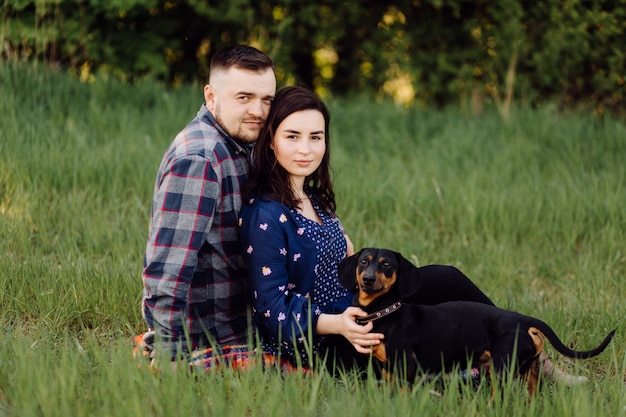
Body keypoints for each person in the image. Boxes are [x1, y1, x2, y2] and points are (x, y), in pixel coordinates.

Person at [238, 86, 588, 385]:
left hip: (356, 313)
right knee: (421, 321)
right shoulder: (265, 214)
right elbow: (270, 309)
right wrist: (339, 324)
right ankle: (482, 367)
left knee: (439, 279)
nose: (306, 149)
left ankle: (519, 352)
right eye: (292, 136)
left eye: (316, 137)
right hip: (322, 341)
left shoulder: (312, 198)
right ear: (271, 141)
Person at [139, 44, 276, 362]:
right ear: (211, 97)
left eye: (266, 99)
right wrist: (168, 353)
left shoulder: (243, 143)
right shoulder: (200, 157)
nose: (258, 110)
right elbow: (168, 267)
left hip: (249, 324)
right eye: (244, 98)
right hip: (212, 338)